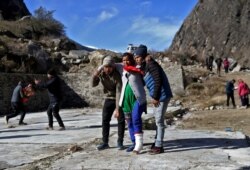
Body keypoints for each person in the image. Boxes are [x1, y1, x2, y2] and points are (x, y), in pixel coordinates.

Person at [134, 45, 173, 154]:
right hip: (158, 96)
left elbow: (158, 80)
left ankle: (159, 146)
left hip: (162, 96)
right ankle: (157, 141)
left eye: (138, 57)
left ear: (142, 56)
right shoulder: (145, 65)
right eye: (135, 57)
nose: (136, 59)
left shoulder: (151, 64)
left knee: (159, 121)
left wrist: (156, 97)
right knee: (157, 120)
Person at [91, 56, 125, 150]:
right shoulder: (101, 74)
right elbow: (93, 85)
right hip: (108, 98)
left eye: (110, 67)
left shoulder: (117, 76)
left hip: (119, 98)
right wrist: (95, 75)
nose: (107, 69)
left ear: (113, 67)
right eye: (106, 66)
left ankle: (120, 142)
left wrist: (117, 109)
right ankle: (105, 142)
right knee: (105, 120)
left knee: (120, 120)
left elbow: (119, 92)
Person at [116, 52, 146, 154]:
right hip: (125, 100)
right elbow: (110, 64)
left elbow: (145, 63)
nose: (125, 62)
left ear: (132, 60)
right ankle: (134, 143)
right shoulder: (122, 68)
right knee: (129, 123)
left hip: (137, 98)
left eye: (127, 60)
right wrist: (99, 69)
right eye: (123, 60)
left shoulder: (138, 68)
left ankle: (139, 145)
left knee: (136, 119)